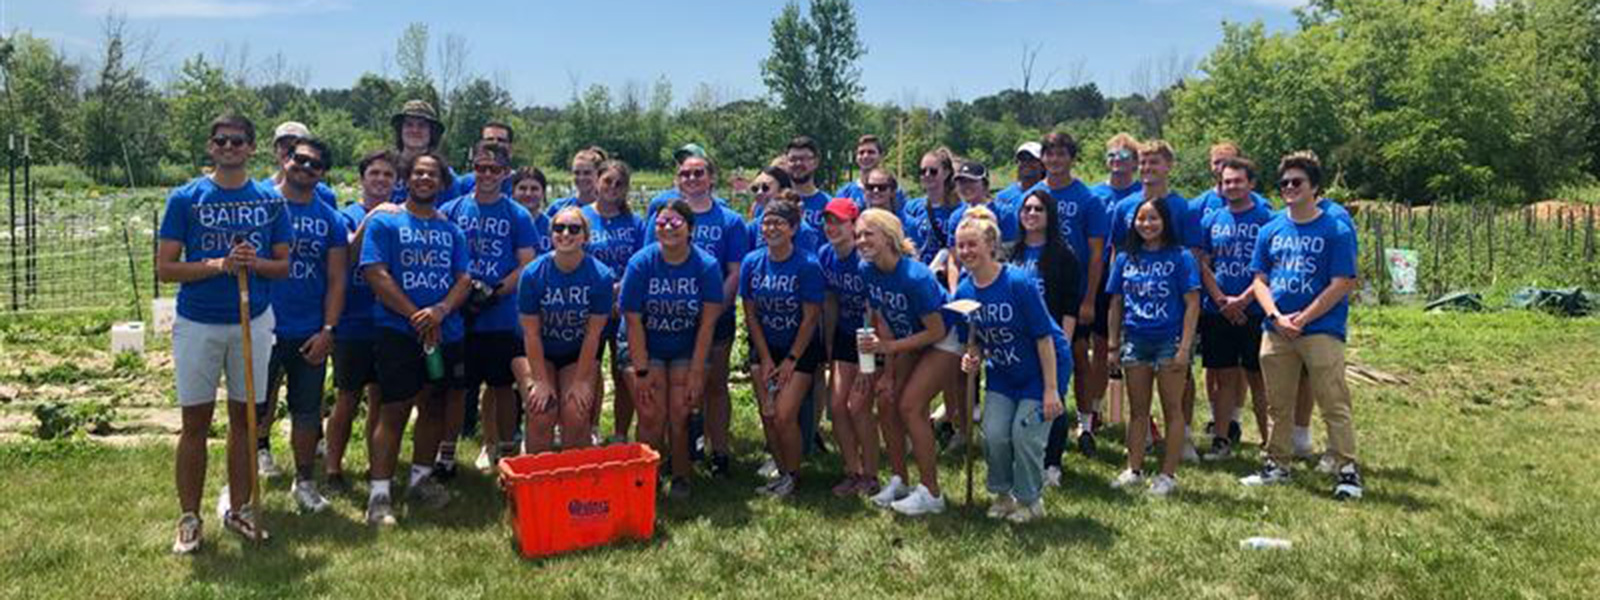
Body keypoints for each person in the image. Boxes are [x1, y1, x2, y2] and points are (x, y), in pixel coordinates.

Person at [159, 113, 292, 553]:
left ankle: (238, 508)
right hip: (198, 322)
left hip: (252, 320)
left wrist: (252, 264)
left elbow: (283, 265)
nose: (230, 148)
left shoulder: (270, 202)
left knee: (245, 419)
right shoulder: (186, 199)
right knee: (194, 422)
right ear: (211, 146)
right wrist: (218, 265)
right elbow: (165, 269)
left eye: (238, 142)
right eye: (222, 141)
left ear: (252, 147)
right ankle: (190, 517)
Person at [357, 150, 473, 525]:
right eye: (419, 173)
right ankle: (379, 494)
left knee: (435, 406)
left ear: (441, 183)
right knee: (394, 409)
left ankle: (421, 480)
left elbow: (464, 279)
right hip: (397, 332)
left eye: (432, 175)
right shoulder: (386, 223)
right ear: (408, 179)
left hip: (444, 332)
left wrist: (439, 311)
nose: (425, 179)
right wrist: (414, 315)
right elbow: (375, 272)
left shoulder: (452, 230)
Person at [1240, 151, 1363, 501]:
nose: (1290, 188)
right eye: (1284, 183)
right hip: (1276, 329)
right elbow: (1260, 280)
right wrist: (1277, 317)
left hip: (1321, 328)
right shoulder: (1271, 229)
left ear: (1314, 187)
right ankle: (1277, 464)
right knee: (1277, 404)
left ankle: (1347, 471)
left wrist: (1304, 318)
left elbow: (1343, 282)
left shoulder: (1336, 229)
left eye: (1297, 182)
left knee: (1333, 401)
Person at [954, 206, 1072, 523]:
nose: (966, 251)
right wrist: (973, 355)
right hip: (1004, 372)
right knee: (993, 434)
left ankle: (1030, 501)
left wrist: (1051, 390)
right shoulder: (964, 290)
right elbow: (974, 338)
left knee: (1025, 436)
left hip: (1043, 368)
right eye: (960, 245)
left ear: (991, 246)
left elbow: (1044, 337)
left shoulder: (1018, 282)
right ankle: (1003, 495)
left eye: (972, 244)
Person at [437, 142, 540, 473]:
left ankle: (506, 453)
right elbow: (444, 255)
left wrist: (495, 293)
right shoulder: (453, 209)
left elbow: (527, 263)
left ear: (505, 173)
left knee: (501, 385)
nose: (486, 175)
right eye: (480, 168)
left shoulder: (518, 214)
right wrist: (461, 293)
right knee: (457, 388)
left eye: (494, 169)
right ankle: (447, 454)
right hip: (460, 313)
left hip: (500, 314)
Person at [855, 208, 961, 516]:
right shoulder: (867, 269)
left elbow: (936, 330)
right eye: (858, 234)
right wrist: (888, 370)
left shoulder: (916, 277)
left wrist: (889, 347)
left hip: (943, 338)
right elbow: (884, 318)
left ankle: (931, 492)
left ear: (889, 237)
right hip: (909, 337)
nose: (861, 240)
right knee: (887, 400)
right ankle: (900, 480)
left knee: (911, 406)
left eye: (868, 234)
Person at [619, 200, 726, 500]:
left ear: (691, 229)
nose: (667, 227)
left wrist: (695, 372)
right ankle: (644, 476)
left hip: (687, 347)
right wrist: (640, 371)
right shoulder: (641, 263)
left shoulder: (705, 266)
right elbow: (632, 320)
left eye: (676, 222)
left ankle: (680, 474)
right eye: (662, 222)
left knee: (679, 412)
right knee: (652, 413)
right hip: (644, 345)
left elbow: (707, 324)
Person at [264, 137, 347, 514]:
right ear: (285, 160)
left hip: (308, 330)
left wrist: (328, 330)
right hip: (261, 325)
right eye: (299, 159)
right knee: (251, 408)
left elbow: (336, 279)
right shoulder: (261, 206)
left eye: (315, 164)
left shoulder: (328, 217)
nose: (305, 168)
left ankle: (305, 482)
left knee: (307, 411)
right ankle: (242, 481)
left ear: (322, 173)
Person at [1107, 140, 1201, 458]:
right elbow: (1117, 252)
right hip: (1136, 321)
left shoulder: (1181, 208)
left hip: (1172, 321)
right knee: (1138, 402)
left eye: (1154, 163)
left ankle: (1182, 438)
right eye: (1143, 163)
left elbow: (1193, 254)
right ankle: (1140, 447)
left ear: (1168, 166)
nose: (1148, 169)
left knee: (1179, 382)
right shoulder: (1124, 207)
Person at [662, 155, 748, 476]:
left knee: (714, 385)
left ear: (712, 178)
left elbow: (735, 272)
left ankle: (720, 452)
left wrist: (712, 310)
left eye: (699, 173)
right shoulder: (664, 218)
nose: (692, 178)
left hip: (717, 315)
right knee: (676, 387)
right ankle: (680, 451)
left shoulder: (730, 220)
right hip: (671, 317)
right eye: (685, 173)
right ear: (677, 180)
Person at [1031, 132, 1110, 456]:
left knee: (1077, 357)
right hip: (1038, 293)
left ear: (1071, 158)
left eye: (1061, 154)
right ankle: (1042, 423)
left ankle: (1085, 423)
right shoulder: (1034, 196)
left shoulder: (1087, 199)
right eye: (1049, 154)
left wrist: (1089, 298)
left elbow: (1096, 254)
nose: (1055, 160)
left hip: (1073, 294)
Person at [741, 197, 826, 497]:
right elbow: (750, 312)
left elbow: (811, 317)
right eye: (766, 222)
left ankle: (793, 474)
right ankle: (780, 470)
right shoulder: (752, 262)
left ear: (793, 228)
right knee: (767, 413)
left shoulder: (807, 265)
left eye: (778, 222)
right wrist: (765, 358)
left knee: (784, 414)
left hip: (799, 349)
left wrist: (790, 360)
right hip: (765, 348)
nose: (770, 227)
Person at [323, 150, 396, 493]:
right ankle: (333, 468)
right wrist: (373, 218)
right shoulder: (345, 216)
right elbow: (349, 256)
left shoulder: (401, 218)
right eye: (374, 174)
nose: (381, 180)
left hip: (388, 321)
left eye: (387, 175)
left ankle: (374, 464)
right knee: (347, 398)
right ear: (362, 179)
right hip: (352, 320)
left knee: (380, 399)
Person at [517, 207, 614, 452]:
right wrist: (540, 380)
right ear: (551, 234)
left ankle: (573, 481)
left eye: (574, 228)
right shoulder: (533, 274)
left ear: (585, 236)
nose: (566, 234)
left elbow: (594, 334)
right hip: (539, 351)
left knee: (575, 411)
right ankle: (537, 480)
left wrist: (581, 381)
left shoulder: (600, 276)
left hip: (577, 353)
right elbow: (531, 333)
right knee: (542, 410)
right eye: (559, 228)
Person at [1196, 157, 1273, 459]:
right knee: (1224, 377)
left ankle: (1271, 443)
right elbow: (1202, 262)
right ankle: (1222, 440)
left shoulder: (1267, 218)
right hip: (1218, 310)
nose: (1232, 186)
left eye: (1238, 181)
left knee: (1258, 378)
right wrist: (1221, 300)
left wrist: (1244, 299)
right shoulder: (1212, 219)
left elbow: (1270, 267)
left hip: (1254, 310)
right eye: (1227, 181)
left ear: (1251, 183)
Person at [1008, 190, 1083, 487]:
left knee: (1053, 401)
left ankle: (1052, 463)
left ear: (1050, 215)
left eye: (1038, 209)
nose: (1031, 214)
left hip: (1051, 339)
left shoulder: (1064, 256)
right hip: (1017, 342)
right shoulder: (1011, 253)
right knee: (1020, 400)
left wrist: (1062, 343)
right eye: (1026, 208)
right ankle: (1023, 457)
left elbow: (1069, 306)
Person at [1079, 134, 1143, 448]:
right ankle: (1095, 409)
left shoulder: (1143, 193)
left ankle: (1141, 416)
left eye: (1123, 156)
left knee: (1139, 348)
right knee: (1101, 347)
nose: (1117, 161)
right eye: (1111, 155)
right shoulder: (1095, 195)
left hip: (1139, 276)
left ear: (1135, 162)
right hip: (1100, 274)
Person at [581, 160, 648, 444]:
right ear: (596, 181)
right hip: (590, 305)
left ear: (626, 189)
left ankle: (620, 433)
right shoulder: (582, 217)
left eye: (619, 184)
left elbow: (643, 262)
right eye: (607, 181)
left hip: (625, 307)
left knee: (624, 371)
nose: (612, 188)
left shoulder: (636, 222)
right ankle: (590, 429)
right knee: (589, 370)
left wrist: (621, 290)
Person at [818, 198, 879, 497]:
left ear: (853, 225)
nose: (832, 227)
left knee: (859, 406)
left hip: (871, 335)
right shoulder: (825, 255)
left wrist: (871, 357)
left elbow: (875, 309)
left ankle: (871, 473)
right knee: (838, 406)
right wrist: (829, 342)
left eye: (839, 222)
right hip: (844, 334)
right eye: (828, 222)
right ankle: (851, 470)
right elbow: (830, 301)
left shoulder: (865, 259)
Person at [943, 161, 1019, 290]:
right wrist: (954, 292)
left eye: (971, 181)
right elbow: (954, 260)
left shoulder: (1004, 213)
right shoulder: (956, 217)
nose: (965, 186)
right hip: (967, 284)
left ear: (985, 184)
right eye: (961, 182)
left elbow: (1012, 255)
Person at [388, 100, 458, 202]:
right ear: (400, 130)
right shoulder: (385, 167)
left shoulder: (445, 175)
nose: (415, 130)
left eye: (422, 125)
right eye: (409, 124)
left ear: (432, 132)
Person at [902, 148, 960, 267]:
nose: (927, 175)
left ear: (946, 173)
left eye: (933, 171)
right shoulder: (912, 207)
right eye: (923, 171)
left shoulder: (958, 209)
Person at [748, 166, 822, 255]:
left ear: (782, 190)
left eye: (765, 187)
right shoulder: (752, 228)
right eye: (755, 189)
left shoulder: (802, 229)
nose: (759, 193)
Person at [837, 134, 907, 209]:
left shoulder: (894, 191)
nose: (865, 156)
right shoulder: (845, 192)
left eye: (871, 152)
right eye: (861, 152)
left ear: (881, 156)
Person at [452, 121, 517, 200]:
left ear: (511, 148)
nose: (495, 144)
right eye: (489, 139)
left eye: (501, 140)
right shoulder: (464, 184)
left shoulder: (522, 185)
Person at [785, 136, 834, 231]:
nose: (798, 163)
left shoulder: (828, 204)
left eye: (804, 159)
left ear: (816, 162)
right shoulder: (773, 201)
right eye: (793, 159)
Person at [546, 147, 608, 217]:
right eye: (576, 173)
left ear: (599, 174)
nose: (581, 177)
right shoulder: (558, 207)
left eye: (587, 173)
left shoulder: (608, 209)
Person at [995, 142, 1045, 214]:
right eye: (1022, 159)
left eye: (1031, 159)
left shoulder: (1049, 193)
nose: (1026, 163)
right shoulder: (1003, 196)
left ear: (1043, 165)